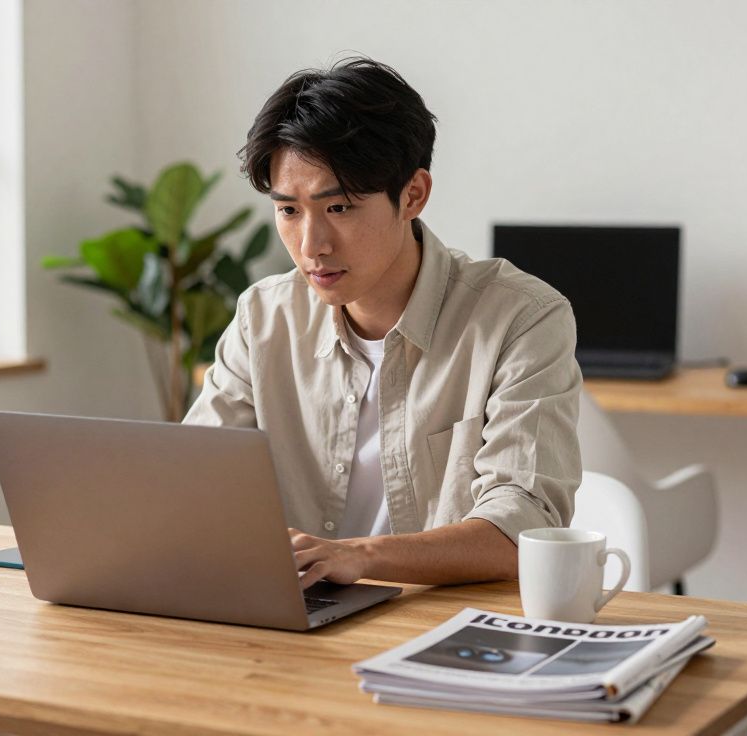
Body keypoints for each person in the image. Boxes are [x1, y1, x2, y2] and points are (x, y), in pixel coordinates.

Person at [184, 57, 582, 588]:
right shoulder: (264, 318)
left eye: (340, 208)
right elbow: (194, 479)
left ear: (413, 195)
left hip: (444, 627)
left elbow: (525, 524)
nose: (311, 246)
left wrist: (361, 557)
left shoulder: (521, 318)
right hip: (290, 621)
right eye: (288, 211)